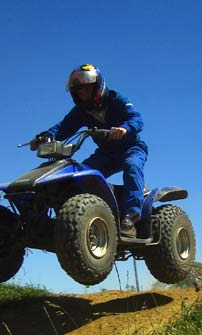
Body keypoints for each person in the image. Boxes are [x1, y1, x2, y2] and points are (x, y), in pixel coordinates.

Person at [30, 64, 148, 238]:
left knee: (132, 166)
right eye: (78, 91)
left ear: (97, 86)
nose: (82, 94)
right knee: (81, 175)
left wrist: (124, 129)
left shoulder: (116, 99)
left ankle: (130, 217)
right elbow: (64, 127)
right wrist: (45, 136)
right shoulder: (81, 111)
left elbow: (137, 118)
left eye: (85, 89)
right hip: (106, 153)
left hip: (130, 148)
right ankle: (81, 216)